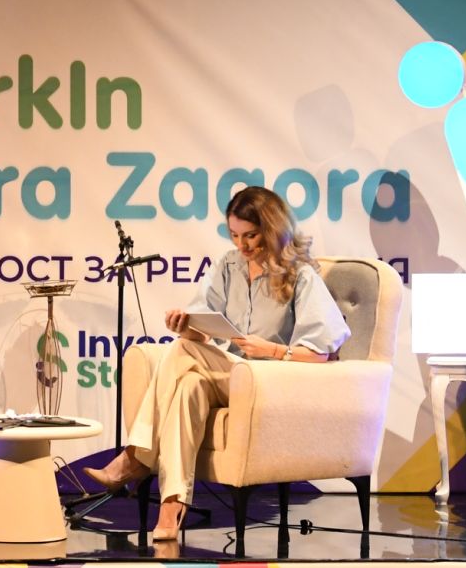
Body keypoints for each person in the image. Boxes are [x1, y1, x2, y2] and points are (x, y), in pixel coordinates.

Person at [84, 186, 351, 540]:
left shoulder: (300, 275)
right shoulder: (228, 265)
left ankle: (136, 457)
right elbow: (202, 330)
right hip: (229, 376)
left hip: (271, 382)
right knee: (188, 384)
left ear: (272, 228)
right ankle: (171, 506)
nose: (242, 245)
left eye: (250, 235)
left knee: (182, 352)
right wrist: (186, 325)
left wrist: (270, 350)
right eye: (234, 235)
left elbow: (321, 353)